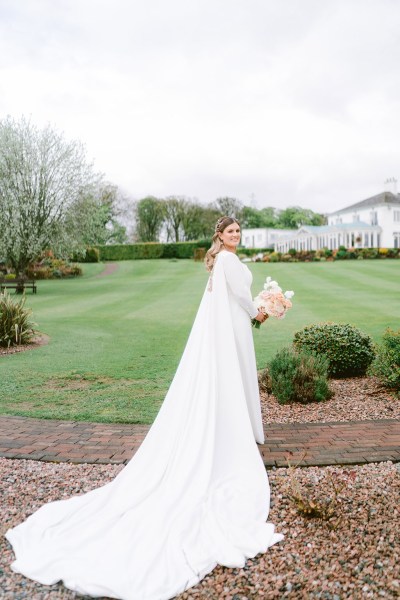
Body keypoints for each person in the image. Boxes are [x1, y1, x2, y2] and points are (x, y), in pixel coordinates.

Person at [5, 216, 284, 600]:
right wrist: (262, 311)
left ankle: (230, 426)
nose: (235, 235)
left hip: (229, 327)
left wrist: (258, 308)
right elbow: (240, 301)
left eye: (238, 231)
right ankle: (232, 435)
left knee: (227, 381)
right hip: (234, 326)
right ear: (220, 235)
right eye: (230, 231)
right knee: (231, 379)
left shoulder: (220, 261)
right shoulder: (229, 262)